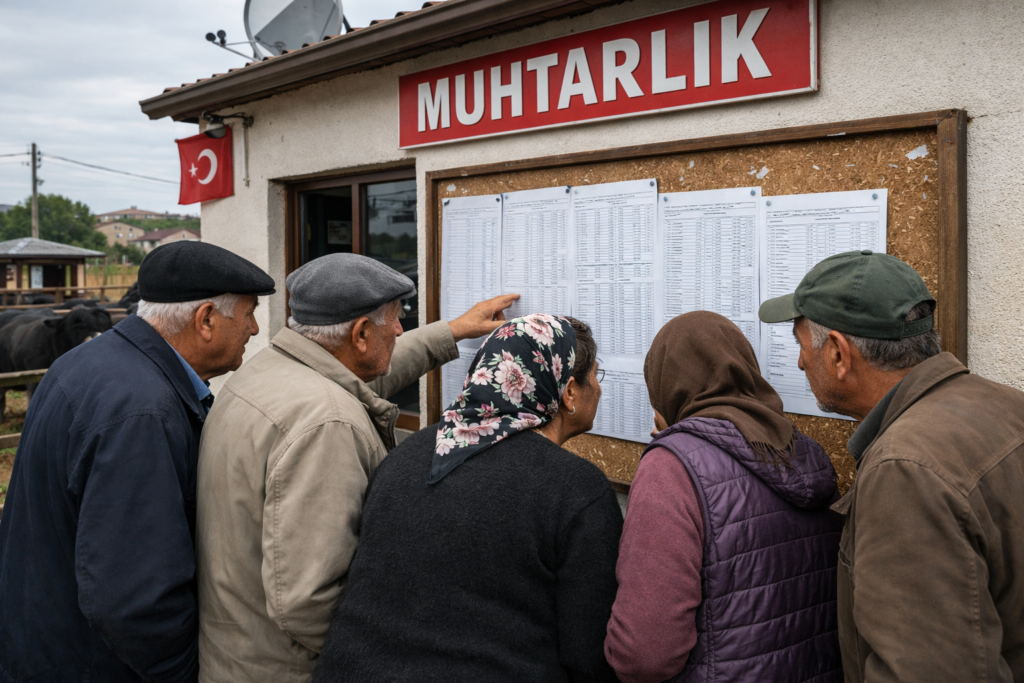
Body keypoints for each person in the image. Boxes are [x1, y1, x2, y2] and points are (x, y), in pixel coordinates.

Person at [195, 253, 520, 683]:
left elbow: (357, 378)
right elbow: (309, 600)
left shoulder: (272, 369)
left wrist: (453, 331)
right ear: (362, 333)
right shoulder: (326, 424)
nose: (400, 330)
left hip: (238, 657)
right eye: (396, 319)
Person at [0, 241, 276, 682]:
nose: (255, 329)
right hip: (91, 664)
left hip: (44, 641)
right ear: (206, 319)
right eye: (248, 314)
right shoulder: (143, 412)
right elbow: (134, 597)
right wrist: (183, 672)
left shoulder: (89, 363)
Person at [759, 249, 1024, 682]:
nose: (801, 361)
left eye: (801, 344)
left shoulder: (904, 470)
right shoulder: (1007, 405)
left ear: (839, 355)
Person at [312, 315, 622, 683]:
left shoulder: (407, 456)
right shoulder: (576, 490)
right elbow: (589, 656)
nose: (597, 389)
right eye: (595, 377)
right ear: (569, 392)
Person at [606, 311, 843, 683]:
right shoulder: (807, 452)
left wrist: (676, 443)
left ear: (667, 383)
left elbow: (646, 655)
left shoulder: (671, 468)